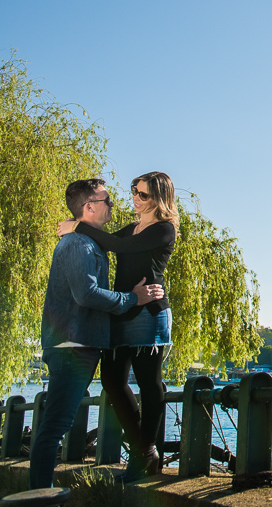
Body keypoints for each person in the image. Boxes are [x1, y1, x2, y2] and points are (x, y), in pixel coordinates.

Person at [30, 178, 164, 489]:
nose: (114, 205)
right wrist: (133, 298)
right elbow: (87, 294)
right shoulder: (79, 245)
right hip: (71, 347)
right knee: (55, 426)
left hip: (80, 344)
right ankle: (39, 495)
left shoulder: (87, 241)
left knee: (55, 424)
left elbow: (121, 245)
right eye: (107, 201)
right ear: (89, 207)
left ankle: (40, 493)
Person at [57, 171, 177, 481]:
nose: (135, 199)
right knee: (111, 381)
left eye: (143, 195)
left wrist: (79, 226)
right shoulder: (131, 228)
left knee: (149, 384)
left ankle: (146, 453)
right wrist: (80, 228)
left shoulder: (163, 230)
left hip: (148, 313)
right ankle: (145, 451)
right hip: (123, 309)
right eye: (134, 191)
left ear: (160, 198)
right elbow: (110, 243)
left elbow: (118, 247)